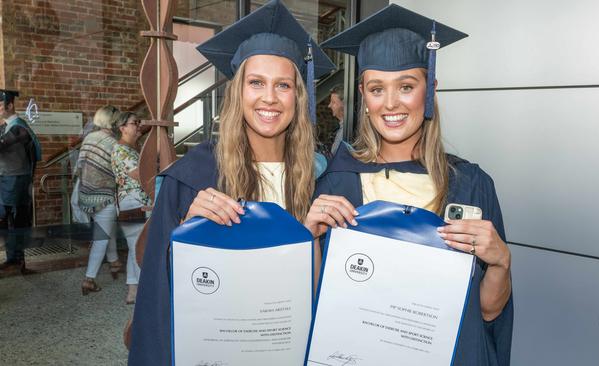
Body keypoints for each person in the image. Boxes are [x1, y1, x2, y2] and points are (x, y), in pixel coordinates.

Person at [304, 4, 513, 365]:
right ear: (363, 96)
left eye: (406, 86)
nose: (390, 104)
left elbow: (488, 313)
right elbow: (316, 299)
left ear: (429, 90)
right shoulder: (336, 183)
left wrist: (500, 264)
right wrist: (309, 240)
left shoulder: (470, 184)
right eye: (376, 89)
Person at [127, 1, 334, 364]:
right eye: (256, 83)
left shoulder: (319, 177)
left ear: (298, 97)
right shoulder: (194, 176)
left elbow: (327, 294)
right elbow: (159, 290)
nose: (269, 97)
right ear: (238, 92)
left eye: (283, 85)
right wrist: (187, 235)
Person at [77, 105, 121, 295]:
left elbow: (79, 166)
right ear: (113, 122)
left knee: (105, 229)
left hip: (86, 194)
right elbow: (120, 174)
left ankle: (114, 262)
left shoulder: (88, 138)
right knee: (101, 238)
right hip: (104, 197)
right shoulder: (114, 144)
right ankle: (89, 279)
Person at [0, 90, 41, 274]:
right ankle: (12, 260)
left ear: (10, 106)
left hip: (16, 180)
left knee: (16, 221)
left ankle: (18, 262)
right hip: (7, 179)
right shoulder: (7, 126)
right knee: (9, 221)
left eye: (0, 105)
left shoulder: (19, 128)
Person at [112, 112, 150, 304]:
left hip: (140, 202)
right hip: (132, 203)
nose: (138, 126)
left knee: (136, 245)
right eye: (134, 123)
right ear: (122, 128)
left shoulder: (135, 148)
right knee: (138, 246)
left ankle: (133, 290)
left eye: (138, 122)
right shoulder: (121, 150)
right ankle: (140, 290)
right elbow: (138, 174)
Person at [328, 84, 345, 154]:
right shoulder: (342, 128)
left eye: (333, 102)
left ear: (343, 104)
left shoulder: (347, 130)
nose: (329, 105)